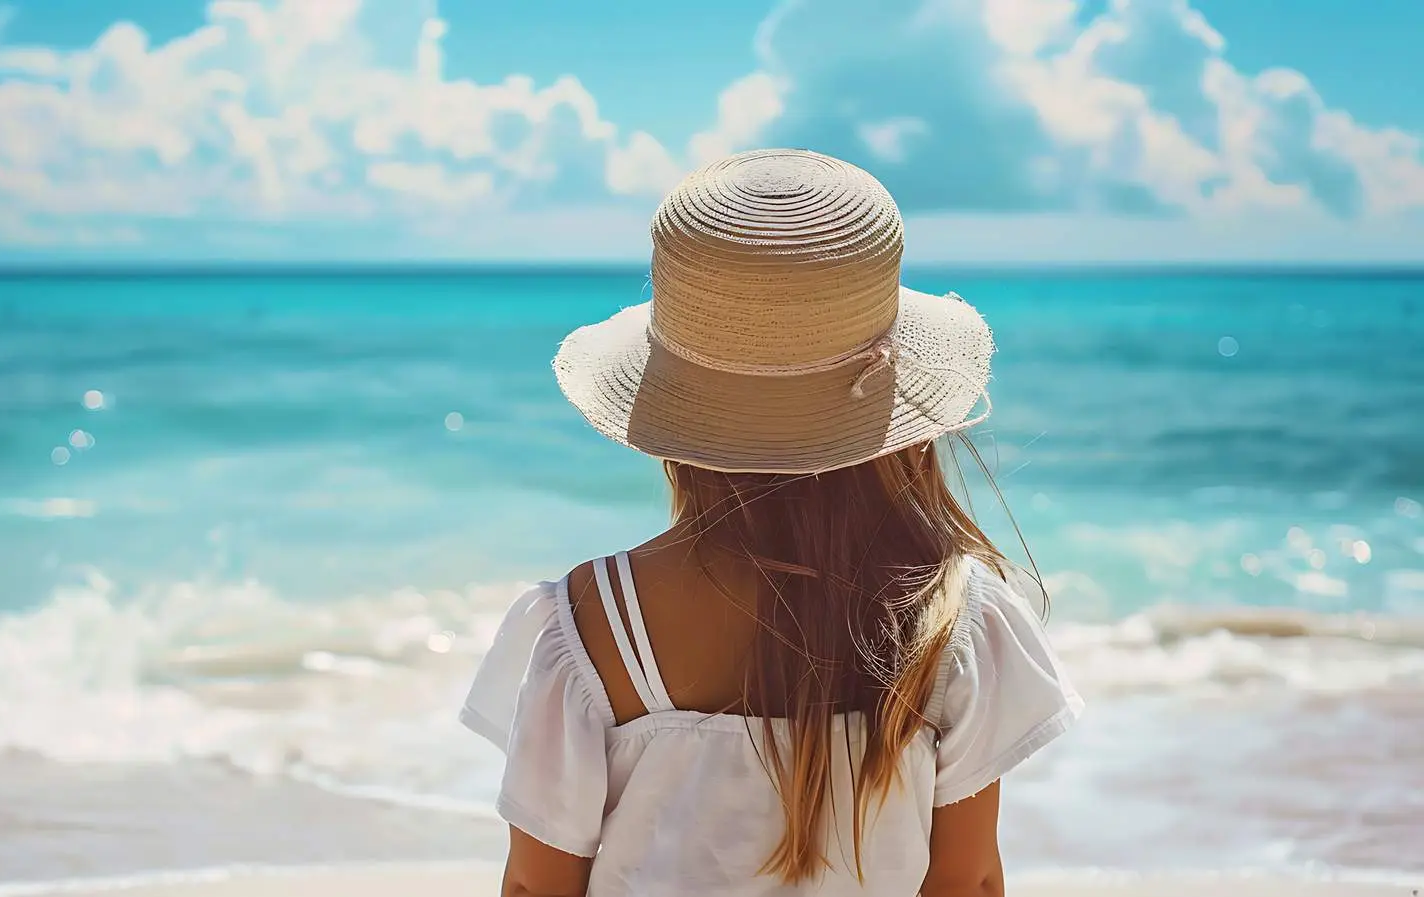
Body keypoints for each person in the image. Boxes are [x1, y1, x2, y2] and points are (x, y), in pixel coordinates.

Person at [461, 149, 1083, 896]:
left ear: (674, 416)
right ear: (898, 418)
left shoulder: (596, 621)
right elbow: (968, 878)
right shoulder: (952, 620)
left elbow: (538, 884)